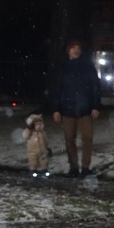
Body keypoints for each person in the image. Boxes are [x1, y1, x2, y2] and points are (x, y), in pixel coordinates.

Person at [49, 39, 101, 178]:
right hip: (67, 109)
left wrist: (95, 106)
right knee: (69, 139)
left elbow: (95, 87)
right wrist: (56, 109)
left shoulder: (87, 67)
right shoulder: (62, 68)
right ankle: (73, 167)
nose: (76, 50)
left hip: (85, 108)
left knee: (87, 138)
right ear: (68, 51)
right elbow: (57, 90)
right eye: (73, 48)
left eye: (78, 48)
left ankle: (85, 167)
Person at [23, 113, 51, 178]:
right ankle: (33, 171)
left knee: (43, 161)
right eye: (36, 125)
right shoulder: (30, 132)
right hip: (32, 152)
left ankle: (44, 170)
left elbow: (46, 141)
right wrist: (29, 130)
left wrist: (48, 148)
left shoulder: (42, 133)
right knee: (33, 162)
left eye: (40, 124)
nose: (38, 126)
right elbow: (25, 136)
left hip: (42, 151)